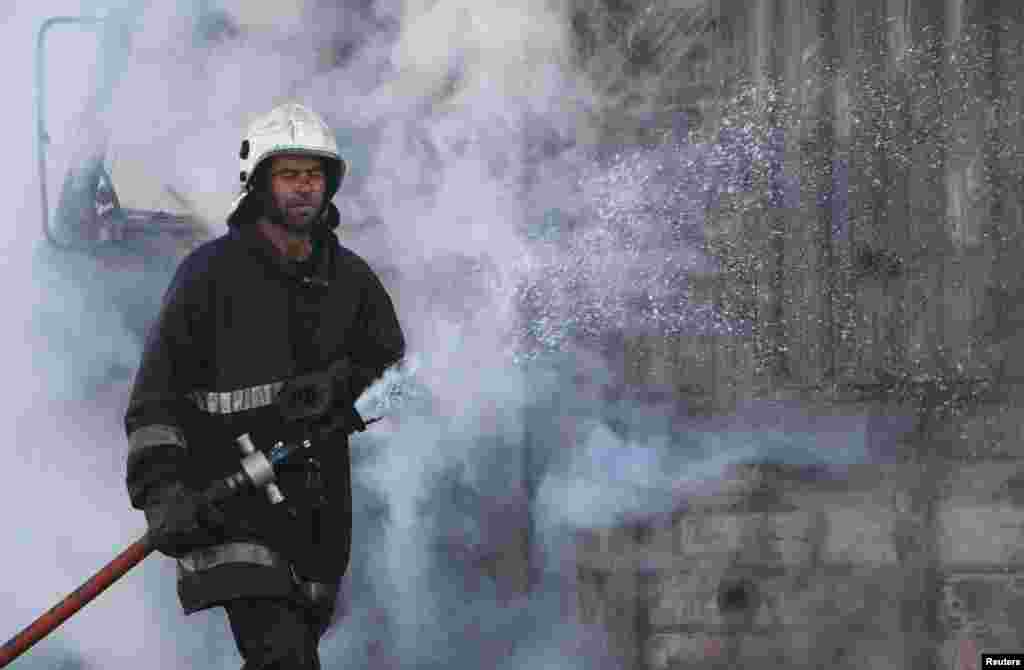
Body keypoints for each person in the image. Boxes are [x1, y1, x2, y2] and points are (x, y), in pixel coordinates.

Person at [124, 102, 406, 669]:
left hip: (319, 518)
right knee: (284, 659)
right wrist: (164, 495)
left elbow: (398, 379)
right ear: (258, 185)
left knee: (290, 655)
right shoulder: (208, 277)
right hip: (226, 509)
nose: (303, 187)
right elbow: (154, 402)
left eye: (314, 174)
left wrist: (341, 385)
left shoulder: (351, 281)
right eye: (288, 174)